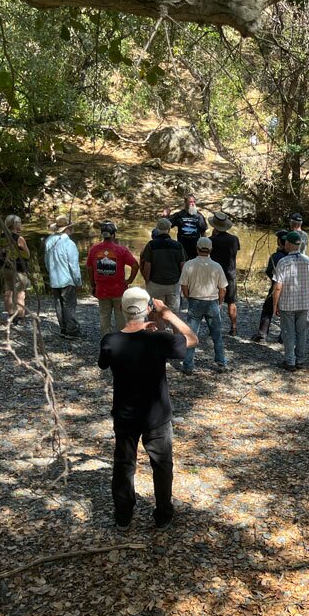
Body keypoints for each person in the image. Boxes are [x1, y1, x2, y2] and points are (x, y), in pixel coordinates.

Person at [98, 289, 197, 532]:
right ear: (148, 309)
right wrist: (167, 314)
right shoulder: (158, 341)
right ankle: (163, 514)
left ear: (122, 309)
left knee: (123, 465)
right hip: (157, 416)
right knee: (162, 465)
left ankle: (123, 517)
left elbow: (104, 363)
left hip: (125, 415)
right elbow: (191, 338)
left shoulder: (110, 341)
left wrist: (150, 328)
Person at [180, 236, 229, 374]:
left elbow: (183, 285)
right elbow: (223, 288)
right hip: (212, 302)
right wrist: (220, 301)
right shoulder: (217, 266)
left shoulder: (189, 264)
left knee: (191, 335)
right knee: (216, 335)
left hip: (195, 300)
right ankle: (221, 362)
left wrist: (188, 298)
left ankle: (188, 366)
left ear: (197, 248)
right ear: (211, 250)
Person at [272, 231, 309, 372]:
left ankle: (290, 361)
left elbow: (278, 286)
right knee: (301, 333)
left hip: (287, 303)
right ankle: (300, 360)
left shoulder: (283, 262)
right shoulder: (307, 261)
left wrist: (274, 305)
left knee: (288, 333)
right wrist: (308, 299)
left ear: (288, 244)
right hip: (303, 303)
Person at [87, 221, 139, 336]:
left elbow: (90, 268)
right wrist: (129, 280)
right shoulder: (122, 250)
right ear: (114, 234)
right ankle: (121, 341)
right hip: (119, 290)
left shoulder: (94, 249)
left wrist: (93, 285)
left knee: (104, 317)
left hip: (101, 290)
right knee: (120, 317)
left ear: (102, 234)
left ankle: (106, 342)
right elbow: (135, 265)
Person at [43, 215, 82, 340]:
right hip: (67, 279)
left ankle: (63, 329)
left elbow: (46, 261)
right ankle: (72, 331)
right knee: (69, 305)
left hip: (54, 279)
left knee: (59, 305)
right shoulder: (69, 243)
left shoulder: (49, 240)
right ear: (68, 229)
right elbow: (74, 266)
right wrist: (78, 281)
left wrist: (50, 273)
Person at [140, 218, 187, 314]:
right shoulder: (177, 245)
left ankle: (160, 328)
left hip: (155, 283)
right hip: (173, 284)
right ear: (169, 229)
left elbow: (147, 266)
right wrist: (183, 284)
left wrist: (147, 282)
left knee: (156, 311)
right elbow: (183, 266)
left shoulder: (151, 245)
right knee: (173, 313)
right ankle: (173, 328)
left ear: (157, 229)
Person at [251, 230, 289, 342]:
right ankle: (284, 336)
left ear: (279, 242)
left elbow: (269, 271)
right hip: (290, 289)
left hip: (275, 287)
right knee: (286, 313)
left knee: (267, 309)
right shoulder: (293, 257)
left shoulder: (276, 256)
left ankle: (262, 334)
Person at [209, 211, 240, 336]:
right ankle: (233, 327)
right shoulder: (234, 239)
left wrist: (213, 236)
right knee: (231, 302)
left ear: (215, 226)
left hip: (215, 275)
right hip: (230, 273)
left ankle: (215, 328)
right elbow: (235, 252)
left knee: (215, 302)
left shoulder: (211, 240)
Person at [0, 214, 30, 319]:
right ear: (15, 225)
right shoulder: (19, 239)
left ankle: (11, 314)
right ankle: (20, 317)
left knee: (8, 291)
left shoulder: (1, 237)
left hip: (6, 268)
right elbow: (27, 255)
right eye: (20, 223)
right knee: (20, 294)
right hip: (18, 269)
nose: (21, 225)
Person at [166, 195, 208, 260]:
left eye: (194, 202)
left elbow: (203, 233)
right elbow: (166, 226)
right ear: (185, 203)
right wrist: (166, 216)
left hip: (196, 250)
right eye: (190, 202)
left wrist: (205, 248)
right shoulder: (179, 215)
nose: (193, 203)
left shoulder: (199, 216)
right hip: (182, 248)